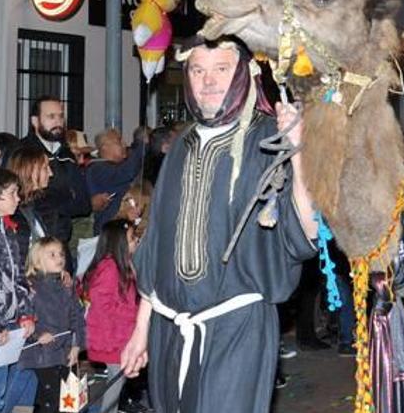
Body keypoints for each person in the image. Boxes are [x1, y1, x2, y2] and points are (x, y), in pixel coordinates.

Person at [120, 37, 318, 412]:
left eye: (221, 69)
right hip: (168, 328)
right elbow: (157, 243)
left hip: (236, 329)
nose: (207, 81)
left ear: (243, 74)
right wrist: (141, 331)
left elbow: (306, 235)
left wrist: (298, 154)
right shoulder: (181, 145)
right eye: (198, 70)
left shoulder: (268, 138)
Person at [0, 169, 35, 413]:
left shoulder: (7, 230)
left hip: (6, 325)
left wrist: (25, 314)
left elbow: (17, 277)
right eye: (13, 193)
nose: (18, 198)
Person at [20, 97, 95, 272]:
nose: (58, 122)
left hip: (61, 242)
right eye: (51, 117)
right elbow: (27, 199)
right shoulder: (23, 153)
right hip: (34, 247)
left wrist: (56, 203)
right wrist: (62, 199)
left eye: (61, 117)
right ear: (35, 121)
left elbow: (83, 204)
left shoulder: (66, 154)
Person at [16, 237, 85, 413]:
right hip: (43, 355)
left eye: (61, 254)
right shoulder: (31, 288)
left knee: (71, 402)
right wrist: (37, 335)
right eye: (52, 255)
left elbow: (77, 316)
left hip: (66, 351)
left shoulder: (65, 286)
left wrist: (77, 345)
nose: (59, 258)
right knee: (50, 401)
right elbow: (23, 318)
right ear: (37, 262)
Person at [83, 220, 140, 413]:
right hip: (110, 338)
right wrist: (135, 314)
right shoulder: (110, 267)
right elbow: (102, 303)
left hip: (119, 335)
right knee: (115, 383)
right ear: (119, 242)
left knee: (117, 381)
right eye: (133, 238)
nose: (136, 241)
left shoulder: (123, 266)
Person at [85, 129, 144, 235]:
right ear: (104, 147)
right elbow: (127, 173)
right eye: (119, 142)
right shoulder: (97, 169)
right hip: (111, 234)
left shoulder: (112, 167)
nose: (124, 145)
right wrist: (142, 144)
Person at [5, 146, 53, 266]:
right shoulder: (13, 212)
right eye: (45, 168)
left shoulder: (33, 205)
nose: (51, 173)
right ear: (30, 171)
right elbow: (19, 258)